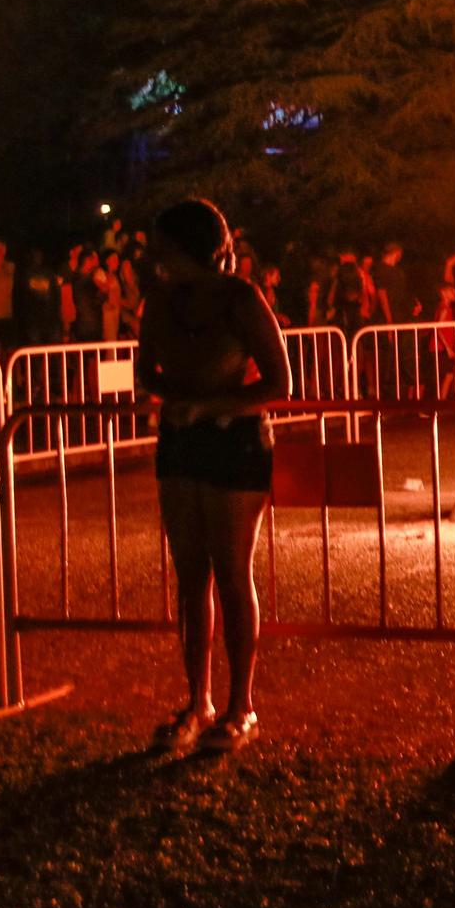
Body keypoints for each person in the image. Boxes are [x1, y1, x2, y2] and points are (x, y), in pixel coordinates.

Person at [134, 198, 291, 754]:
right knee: (190, 573)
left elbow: (279, 381)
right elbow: (144, 370)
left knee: (230, 570)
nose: (152, 253)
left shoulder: (242, 298)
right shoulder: (159, 300)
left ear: (184, 247)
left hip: (236, 441)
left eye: (161, 243)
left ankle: (240, 705)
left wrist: (213, 403)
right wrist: (179, 400)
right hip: (181, 440)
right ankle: (197, 701)